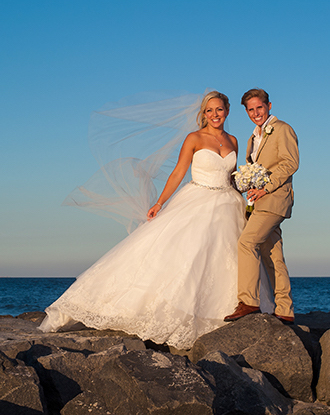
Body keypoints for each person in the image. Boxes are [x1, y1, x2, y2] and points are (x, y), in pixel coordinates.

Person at [38, 91, 273, 349]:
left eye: (219, 109)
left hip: (228, 204)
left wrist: (248, 187)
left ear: (227, 111)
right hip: (197, 199)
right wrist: (160, 202)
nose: (215, 115)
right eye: (209, 110)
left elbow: (231, 177)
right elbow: (178, 172)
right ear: (203, 114)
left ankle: (226, 312)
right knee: (183, 256)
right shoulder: (194, 138)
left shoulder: (234, 141)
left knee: (226, 257)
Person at [224, 88, 299, 324]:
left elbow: (290, 163)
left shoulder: (282, 129)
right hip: (258, 202)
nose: (256, 113)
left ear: (269, 106)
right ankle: (285, 310)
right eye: (250, 109)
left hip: (274, 198)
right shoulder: (253, 137)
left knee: (246, 243)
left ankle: (248, 302)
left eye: (259, 107)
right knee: (273, 254)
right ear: (246, 111)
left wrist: (265, 187)